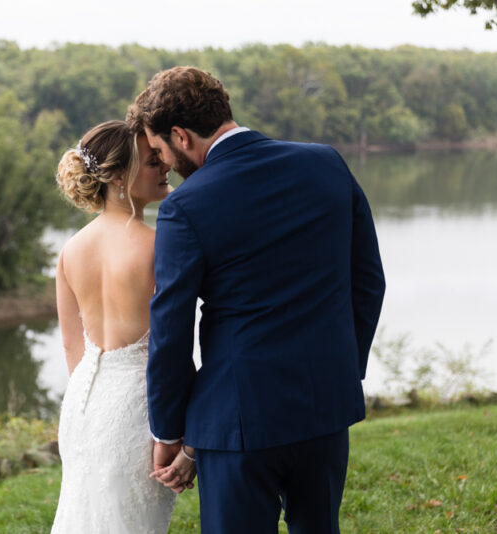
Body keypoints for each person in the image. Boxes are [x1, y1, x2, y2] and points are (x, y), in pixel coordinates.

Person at [127, 67, 386, 534]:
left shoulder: (186, 208)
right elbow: (368, 282)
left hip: (238, 424)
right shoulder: (326, 164)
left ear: (181, 136)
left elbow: (171, 331)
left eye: (161, 150)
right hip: (324, 406)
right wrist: (344, 368)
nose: (164, 163)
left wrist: (168, 431)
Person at [51, 120, 191, 533]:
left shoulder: (70, 250)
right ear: (116, 176)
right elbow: (175, 344)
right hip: (137, 410)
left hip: (83, 407)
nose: (166, 166)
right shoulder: (158, 244)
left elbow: (73, 349)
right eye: (153, 160)